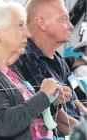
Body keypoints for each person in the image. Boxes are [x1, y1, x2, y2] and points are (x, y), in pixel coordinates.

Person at [0, 1, 71, 140]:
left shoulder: (8, 68)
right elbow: (2, 124)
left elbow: (25, 113)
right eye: (20, 26)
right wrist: (43, 96)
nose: (27, 33)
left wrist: (51, 101)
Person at [15, 0, 87, 136]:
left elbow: (78, 104)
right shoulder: (24, 59)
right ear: (42, 23)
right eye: (64, 19)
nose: (71, 26)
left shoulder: (57, 58)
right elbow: (57, 121)